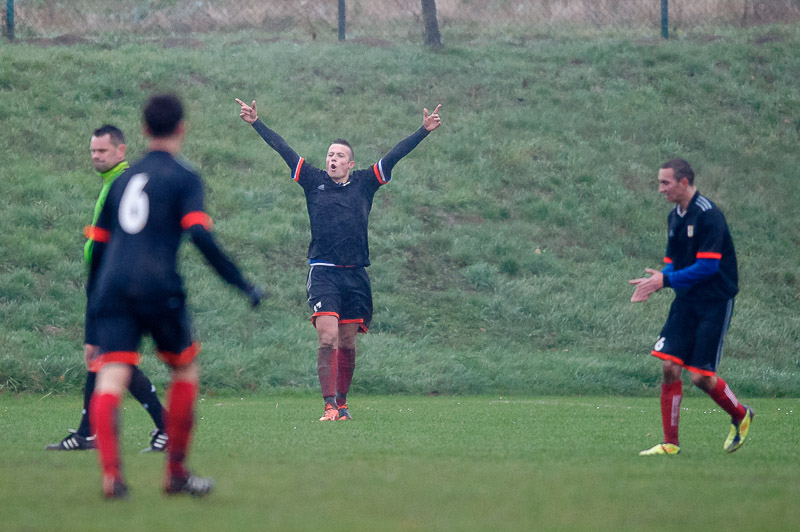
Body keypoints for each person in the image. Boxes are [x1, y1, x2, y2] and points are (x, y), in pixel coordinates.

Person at [87, 94, 263, 499]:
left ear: (144, 130)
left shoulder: (122, 181)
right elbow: (199, 233)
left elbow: (97, 251)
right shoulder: (184, 177)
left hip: (112, 288)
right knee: (184, 371)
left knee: (111, 376)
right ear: (182, 128)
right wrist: (242, 283)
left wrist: (93, 314)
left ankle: (112, 477)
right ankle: (176, 474)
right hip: (158, 286)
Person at [236, 97, 442, 421]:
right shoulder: (312, 180)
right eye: (330, 155)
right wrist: (256, 123)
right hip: (324, 272)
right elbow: (284, 150)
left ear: (350, 163)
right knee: (327, 336)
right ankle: (329, 404)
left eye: (339, 156)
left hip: (355, 274)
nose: (333, 159)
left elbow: (394, 155)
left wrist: (424, 130)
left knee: (347, 344)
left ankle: (342, 404)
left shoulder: (365, 182)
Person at [46, 125, 169, 454]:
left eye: (102, 151)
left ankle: (163, 424)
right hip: (106, 281)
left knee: (110, 356)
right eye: (93, 151)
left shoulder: (123, 184)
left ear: (120, 150)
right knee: (100, 356)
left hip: (114, 284)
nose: (96, 157)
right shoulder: (113, 183)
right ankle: (88, 433)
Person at [629, 158, 753, 456]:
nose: (660, 189)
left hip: (714, 302)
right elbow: (673, 263)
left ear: (683, 182)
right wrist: (658, 279)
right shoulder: (674, 217)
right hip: (686, 300)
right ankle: (670, 443)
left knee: (700, 377)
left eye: (665, 183)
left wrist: (665, 280)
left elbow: (708, 267)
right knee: (669, 367)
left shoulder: (710, 217)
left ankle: (741, 415)